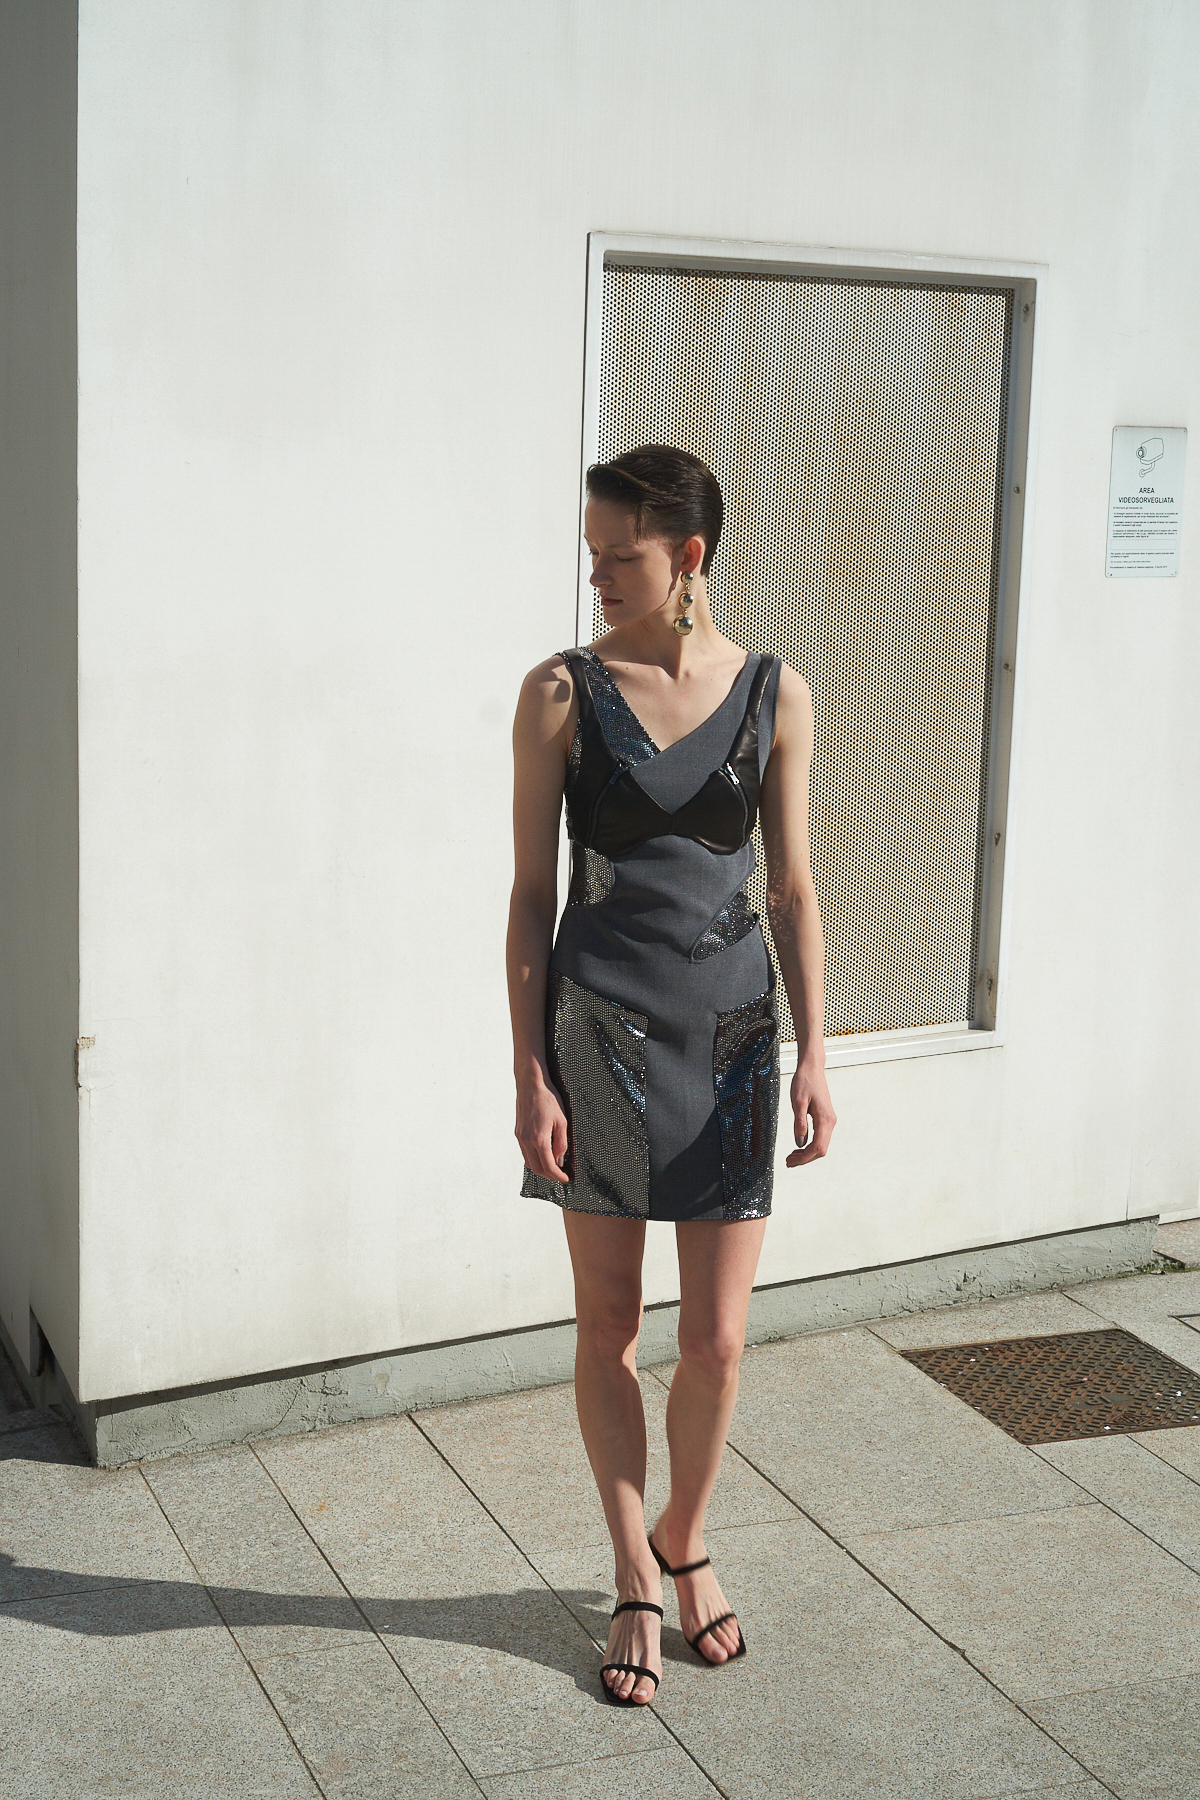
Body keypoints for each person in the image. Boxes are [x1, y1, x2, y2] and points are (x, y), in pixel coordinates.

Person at [506, 446, 835, 1707]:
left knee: (718, 1341)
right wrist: (530, 1072)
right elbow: (530, 898)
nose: (596, 573)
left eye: (619, 554)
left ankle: (684, 1538)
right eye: (591, 551)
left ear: (687, 556)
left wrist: (817, 1054)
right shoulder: (560, 694)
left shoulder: (776, 694)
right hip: (596, 1034)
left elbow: (792, 888)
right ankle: (633, 1576)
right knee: (608, 1328)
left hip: (737, 1040)